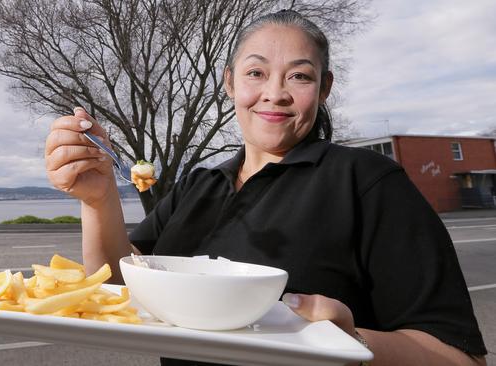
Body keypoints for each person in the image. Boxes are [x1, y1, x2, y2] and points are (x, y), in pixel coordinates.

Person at [45, 10, 487, 366]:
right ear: (230, 83)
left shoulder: (366, 182)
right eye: (256, 73)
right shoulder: (199, 185)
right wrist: (99, 199)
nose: (274, 93)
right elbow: (119, 283)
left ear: (324, 88)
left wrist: (348, 342)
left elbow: (459, 357)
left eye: (299, 76)